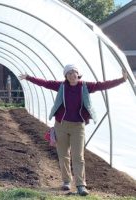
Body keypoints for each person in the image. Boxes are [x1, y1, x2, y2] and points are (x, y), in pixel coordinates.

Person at [19, 64, 127, 196]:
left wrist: (122, 79)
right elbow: (45, 83)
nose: (72, 75)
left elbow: (103, 85)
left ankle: (81, 185)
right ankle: (66, 181)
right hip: (61, 125)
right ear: (66, 76)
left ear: (78, 74)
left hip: (78, 126)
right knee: (63, 155)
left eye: (74, 72)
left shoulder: (85, 86)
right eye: (69, 73)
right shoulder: (61, 86)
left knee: (78, 156)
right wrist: (28, 77)